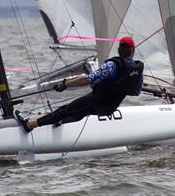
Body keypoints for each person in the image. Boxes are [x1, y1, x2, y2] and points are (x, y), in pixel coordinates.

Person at [16, 36, 144, 133]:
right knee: (80, 112)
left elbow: (88, 80)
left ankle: (30, 125)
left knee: (65, 110)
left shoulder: (112, 65)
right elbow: (135, 91)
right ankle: (60, 122)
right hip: (109, 108)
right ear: (133, 50)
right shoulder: (136, 70)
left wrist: (65, 84)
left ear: (119, 49)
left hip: (97, 101)